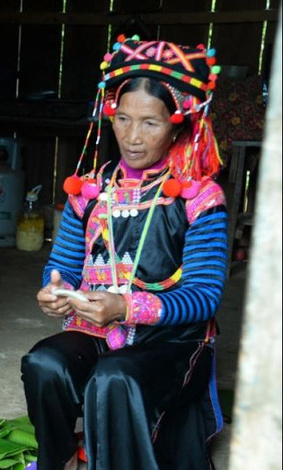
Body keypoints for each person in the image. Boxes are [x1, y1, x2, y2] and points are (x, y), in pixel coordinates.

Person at [21, 37, 228, 470]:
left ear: (177, 124)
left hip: (173, 342)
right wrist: (55, 290)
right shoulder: (89, 190)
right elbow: (62, 265)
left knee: (114, 376)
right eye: (123, 119)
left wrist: (125, 307)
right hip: (99, 331)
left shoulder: (199, 197)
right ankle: (58, 460)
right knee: (43, 363)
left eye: (150, 123)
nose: (132, 138)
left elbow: (204, 295)